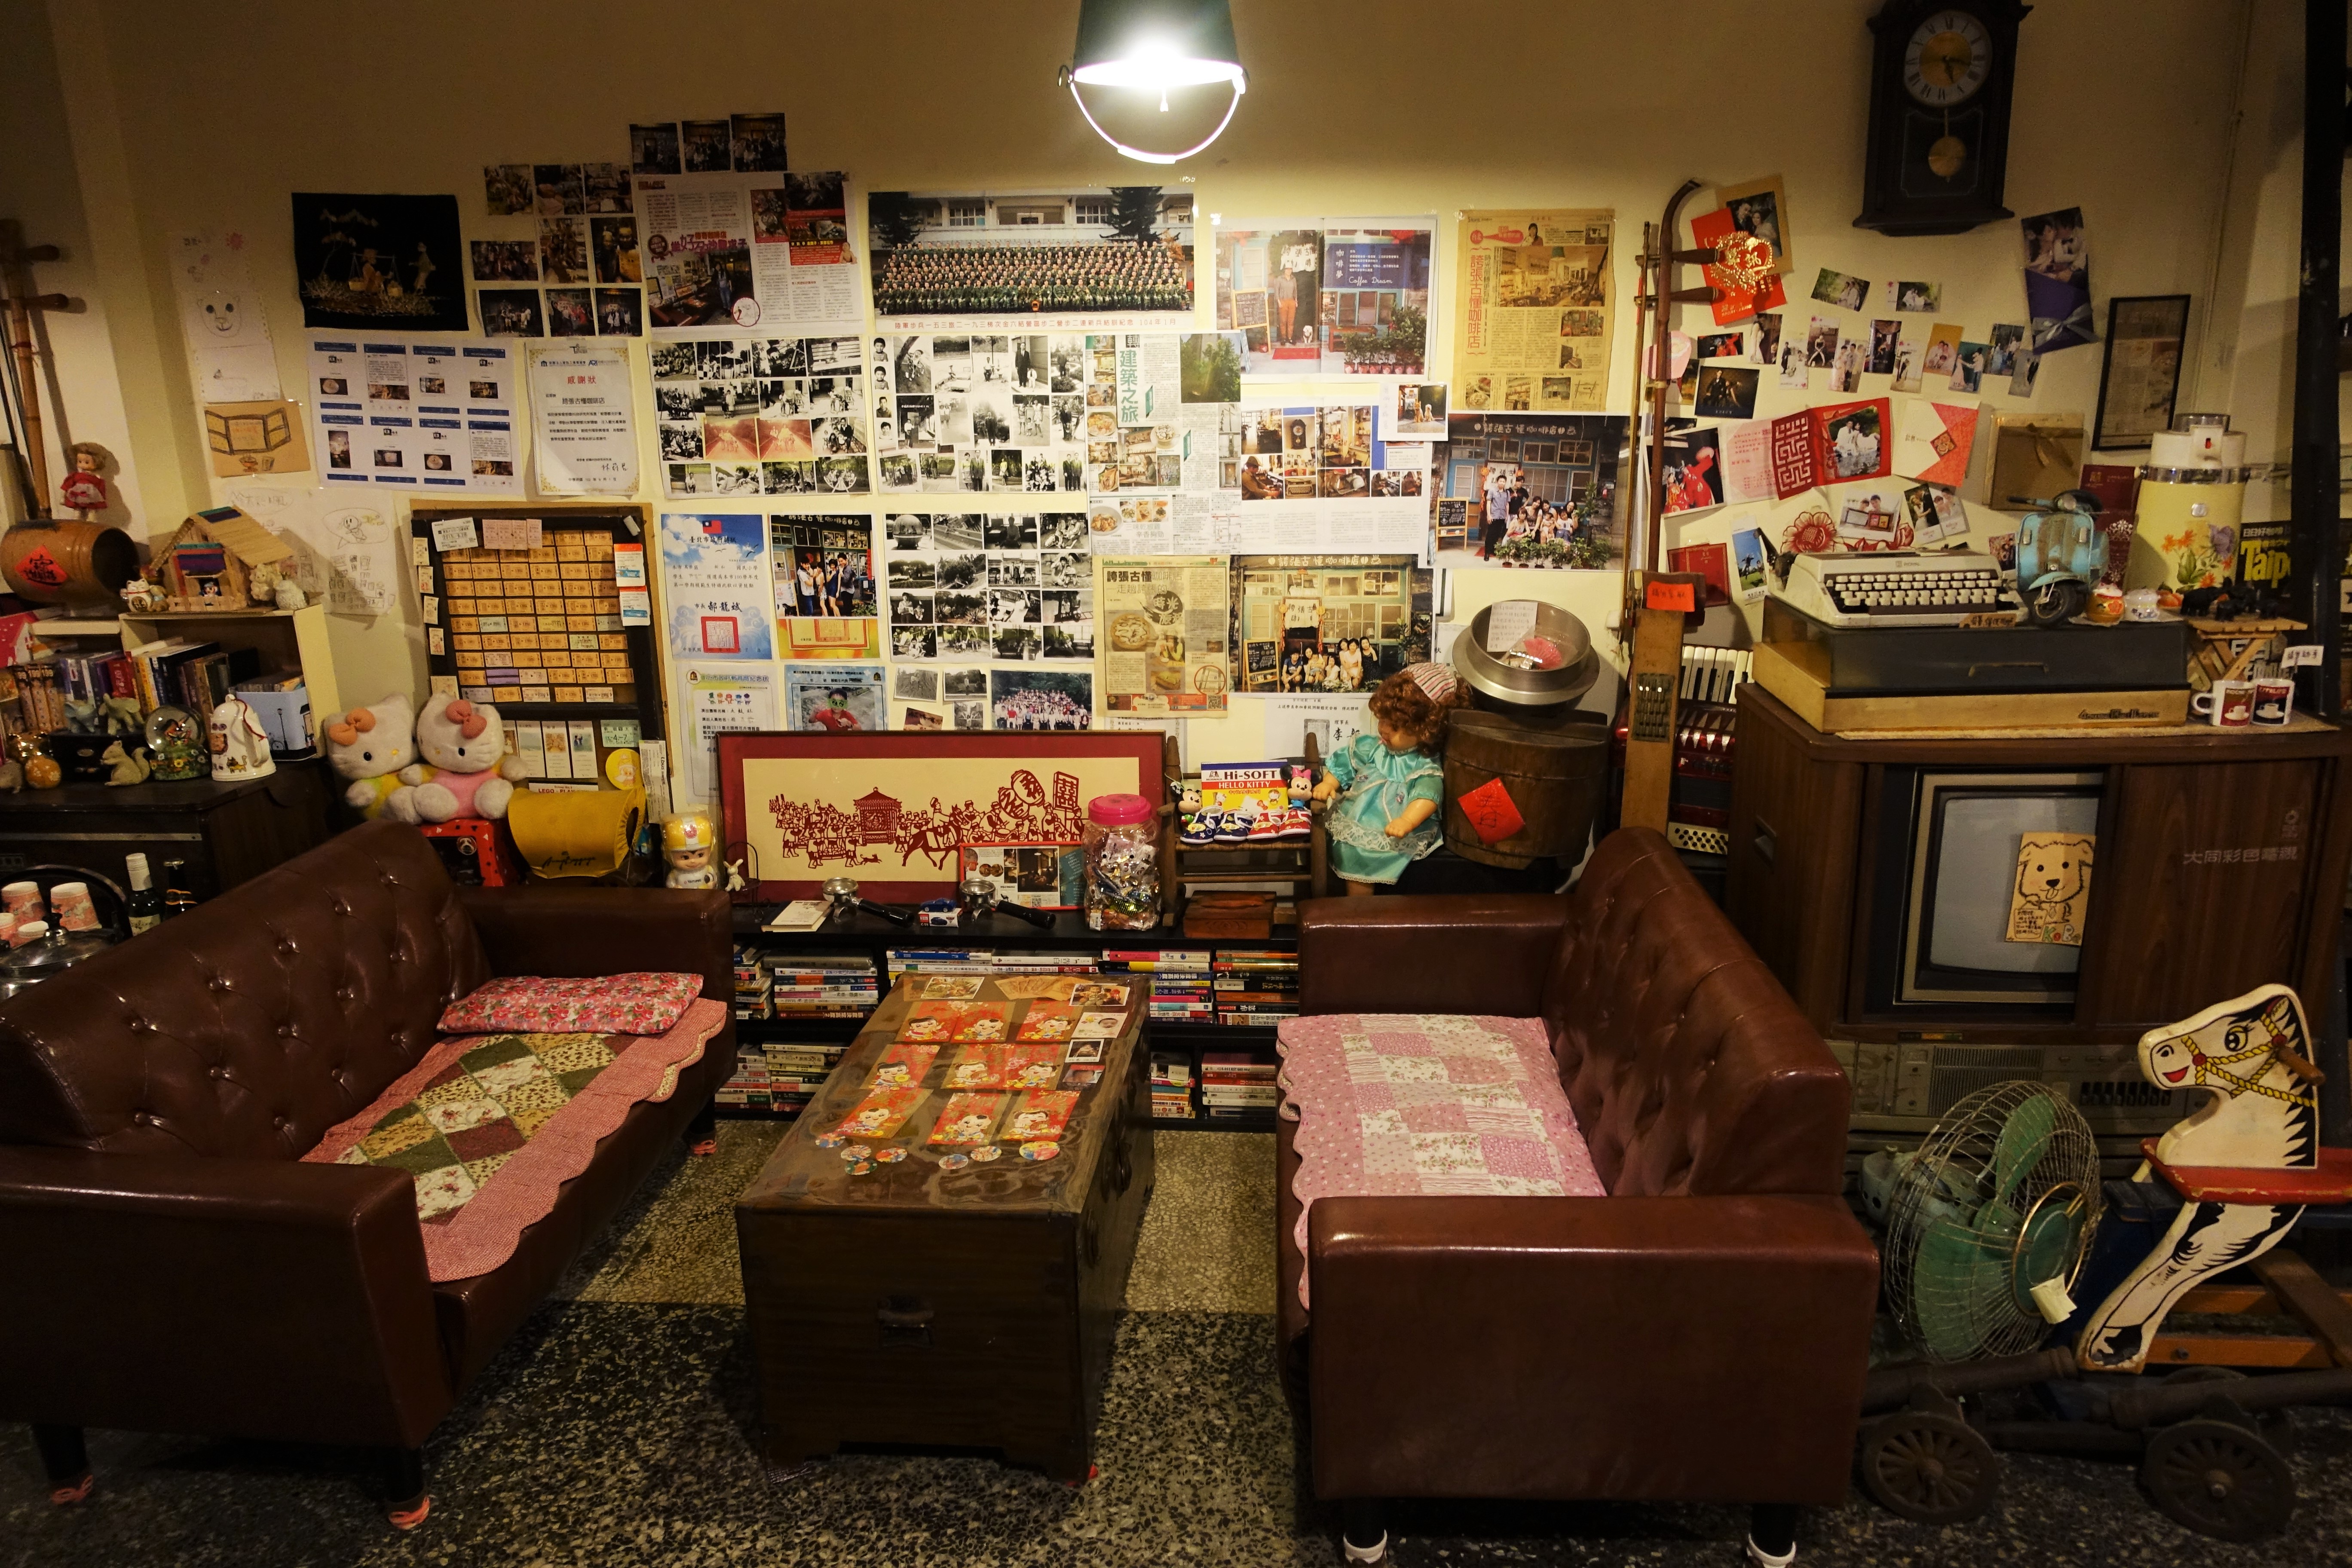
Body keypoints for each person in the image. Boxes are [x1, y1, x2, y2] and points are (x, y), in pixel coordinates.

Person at [1311, 663, 1464, 895]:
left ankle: (1367, 909)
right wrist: (1329, 783)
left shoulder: (1422, 764)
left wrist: (1408, 821)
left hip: (1394, 827)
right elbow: (1348, 761)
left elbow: (1428, 794)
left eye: (1395, 726)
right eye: (1382, 720)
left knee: (1372, 855)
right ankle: (1357, 907)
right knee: (1348, 848)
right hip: (1358, 818)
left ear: (1426, 729)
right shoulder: (1374, 748)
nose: (1383, 729)